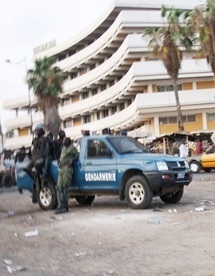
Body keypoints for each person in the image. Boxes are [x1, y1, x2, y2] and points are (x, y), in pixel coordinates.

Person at [55, 137, 78, 214]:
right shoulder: (63, 148)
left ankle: (65, 205)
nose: (63, 141)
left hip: (67, 168)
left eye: (65, 141)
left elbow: (77, 155)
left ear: (68, 141)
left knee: (65, 186)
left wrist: (72, 160)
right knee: (59, 187)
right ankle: (60, 204)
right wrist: (59, 161)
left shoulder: (72, 148)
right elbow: (62, 157)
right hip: (61, 168)